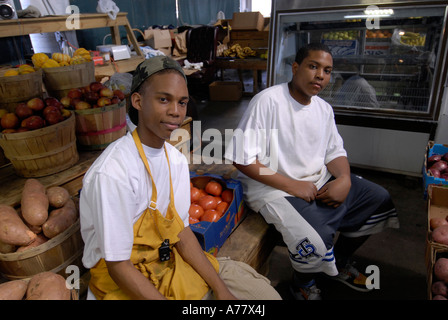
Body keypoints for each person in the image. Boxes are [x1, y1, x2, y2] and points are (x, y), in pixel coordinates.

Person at [79, 55, 281, 300]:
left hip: (167, 262)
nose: (175, 112)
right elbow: (119, 266)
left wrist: (222, 290)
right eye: (164, 100)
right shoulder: (114, 173)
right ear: (138, 101)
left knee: (263, 296)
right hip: (124, 281)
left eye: (182, 102)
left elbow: (182, 233)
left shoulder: (173, 160)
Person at [224, 43, 399, 300]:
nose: (320, 75)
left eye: (327, 71)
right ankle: (302, 283)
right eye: (313, 66)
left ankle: (339, 262)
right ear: (296, 68)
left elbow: (334, 151)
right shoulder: (268, 101)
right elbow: (242, 159)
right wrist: (292, 185)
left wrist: (345, 179)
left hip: (317, 180)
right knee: (313, 242)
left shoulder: (323, 109)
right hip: (273, 189)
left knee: (378, 200)